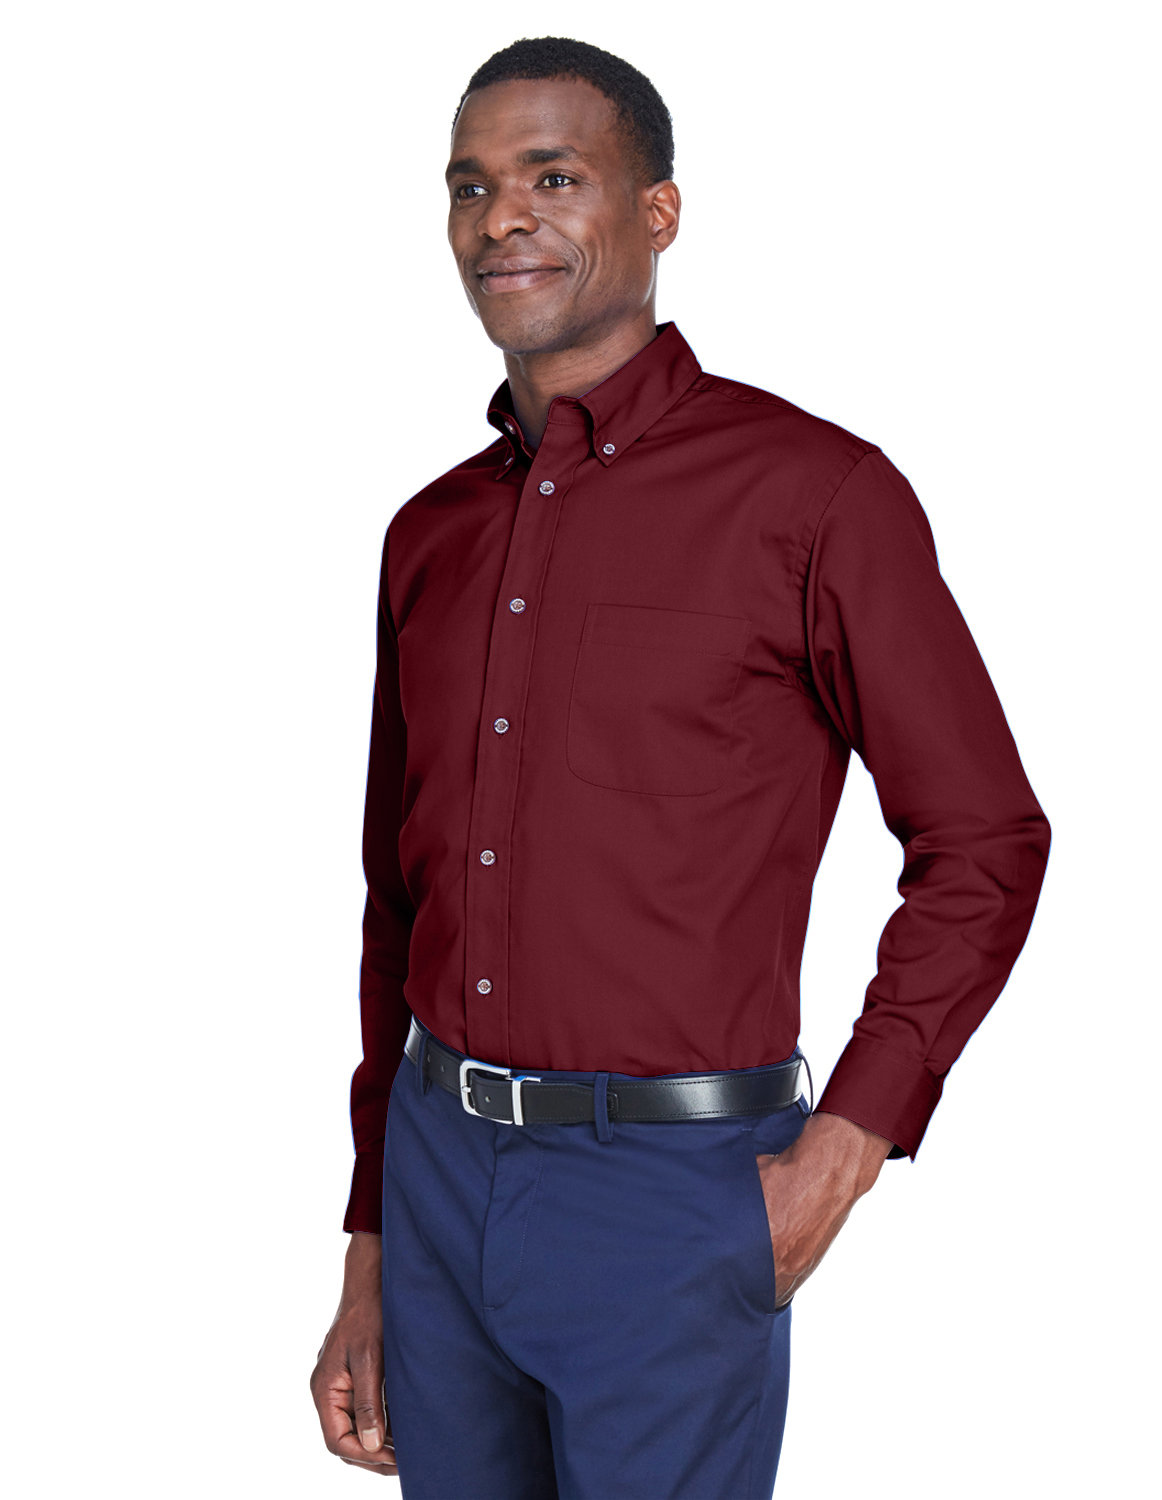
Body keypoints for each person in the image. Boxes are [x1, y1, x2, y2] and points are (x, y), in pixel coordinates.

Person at [310, 34, 1051, 1498]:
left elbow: (985, 838)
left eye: (552, 178)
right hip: (437, 1178)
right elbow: (400, 903)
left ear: (657, 213)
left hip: (674, 1199)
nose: (500, 218)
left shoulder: (816, 495)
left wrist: (844, 1149)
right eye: (470, 186)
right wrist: (371, 1239)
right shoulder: (429, 535)